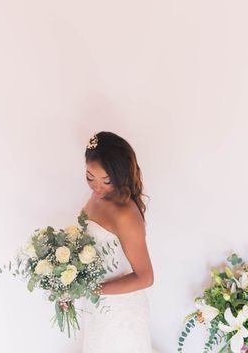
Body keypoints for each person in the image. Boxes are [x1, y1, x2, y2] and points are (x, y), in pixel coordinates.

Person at [80, 131, 158, 353]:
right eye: (89, 177)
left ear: (119, 174)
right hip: (96, 307)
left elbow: (146, 277)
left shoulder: (125, 214)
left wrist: (94, 290)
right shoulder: (97, 197)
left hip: (120, 311)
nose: (97, 187)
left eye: (106, 180)